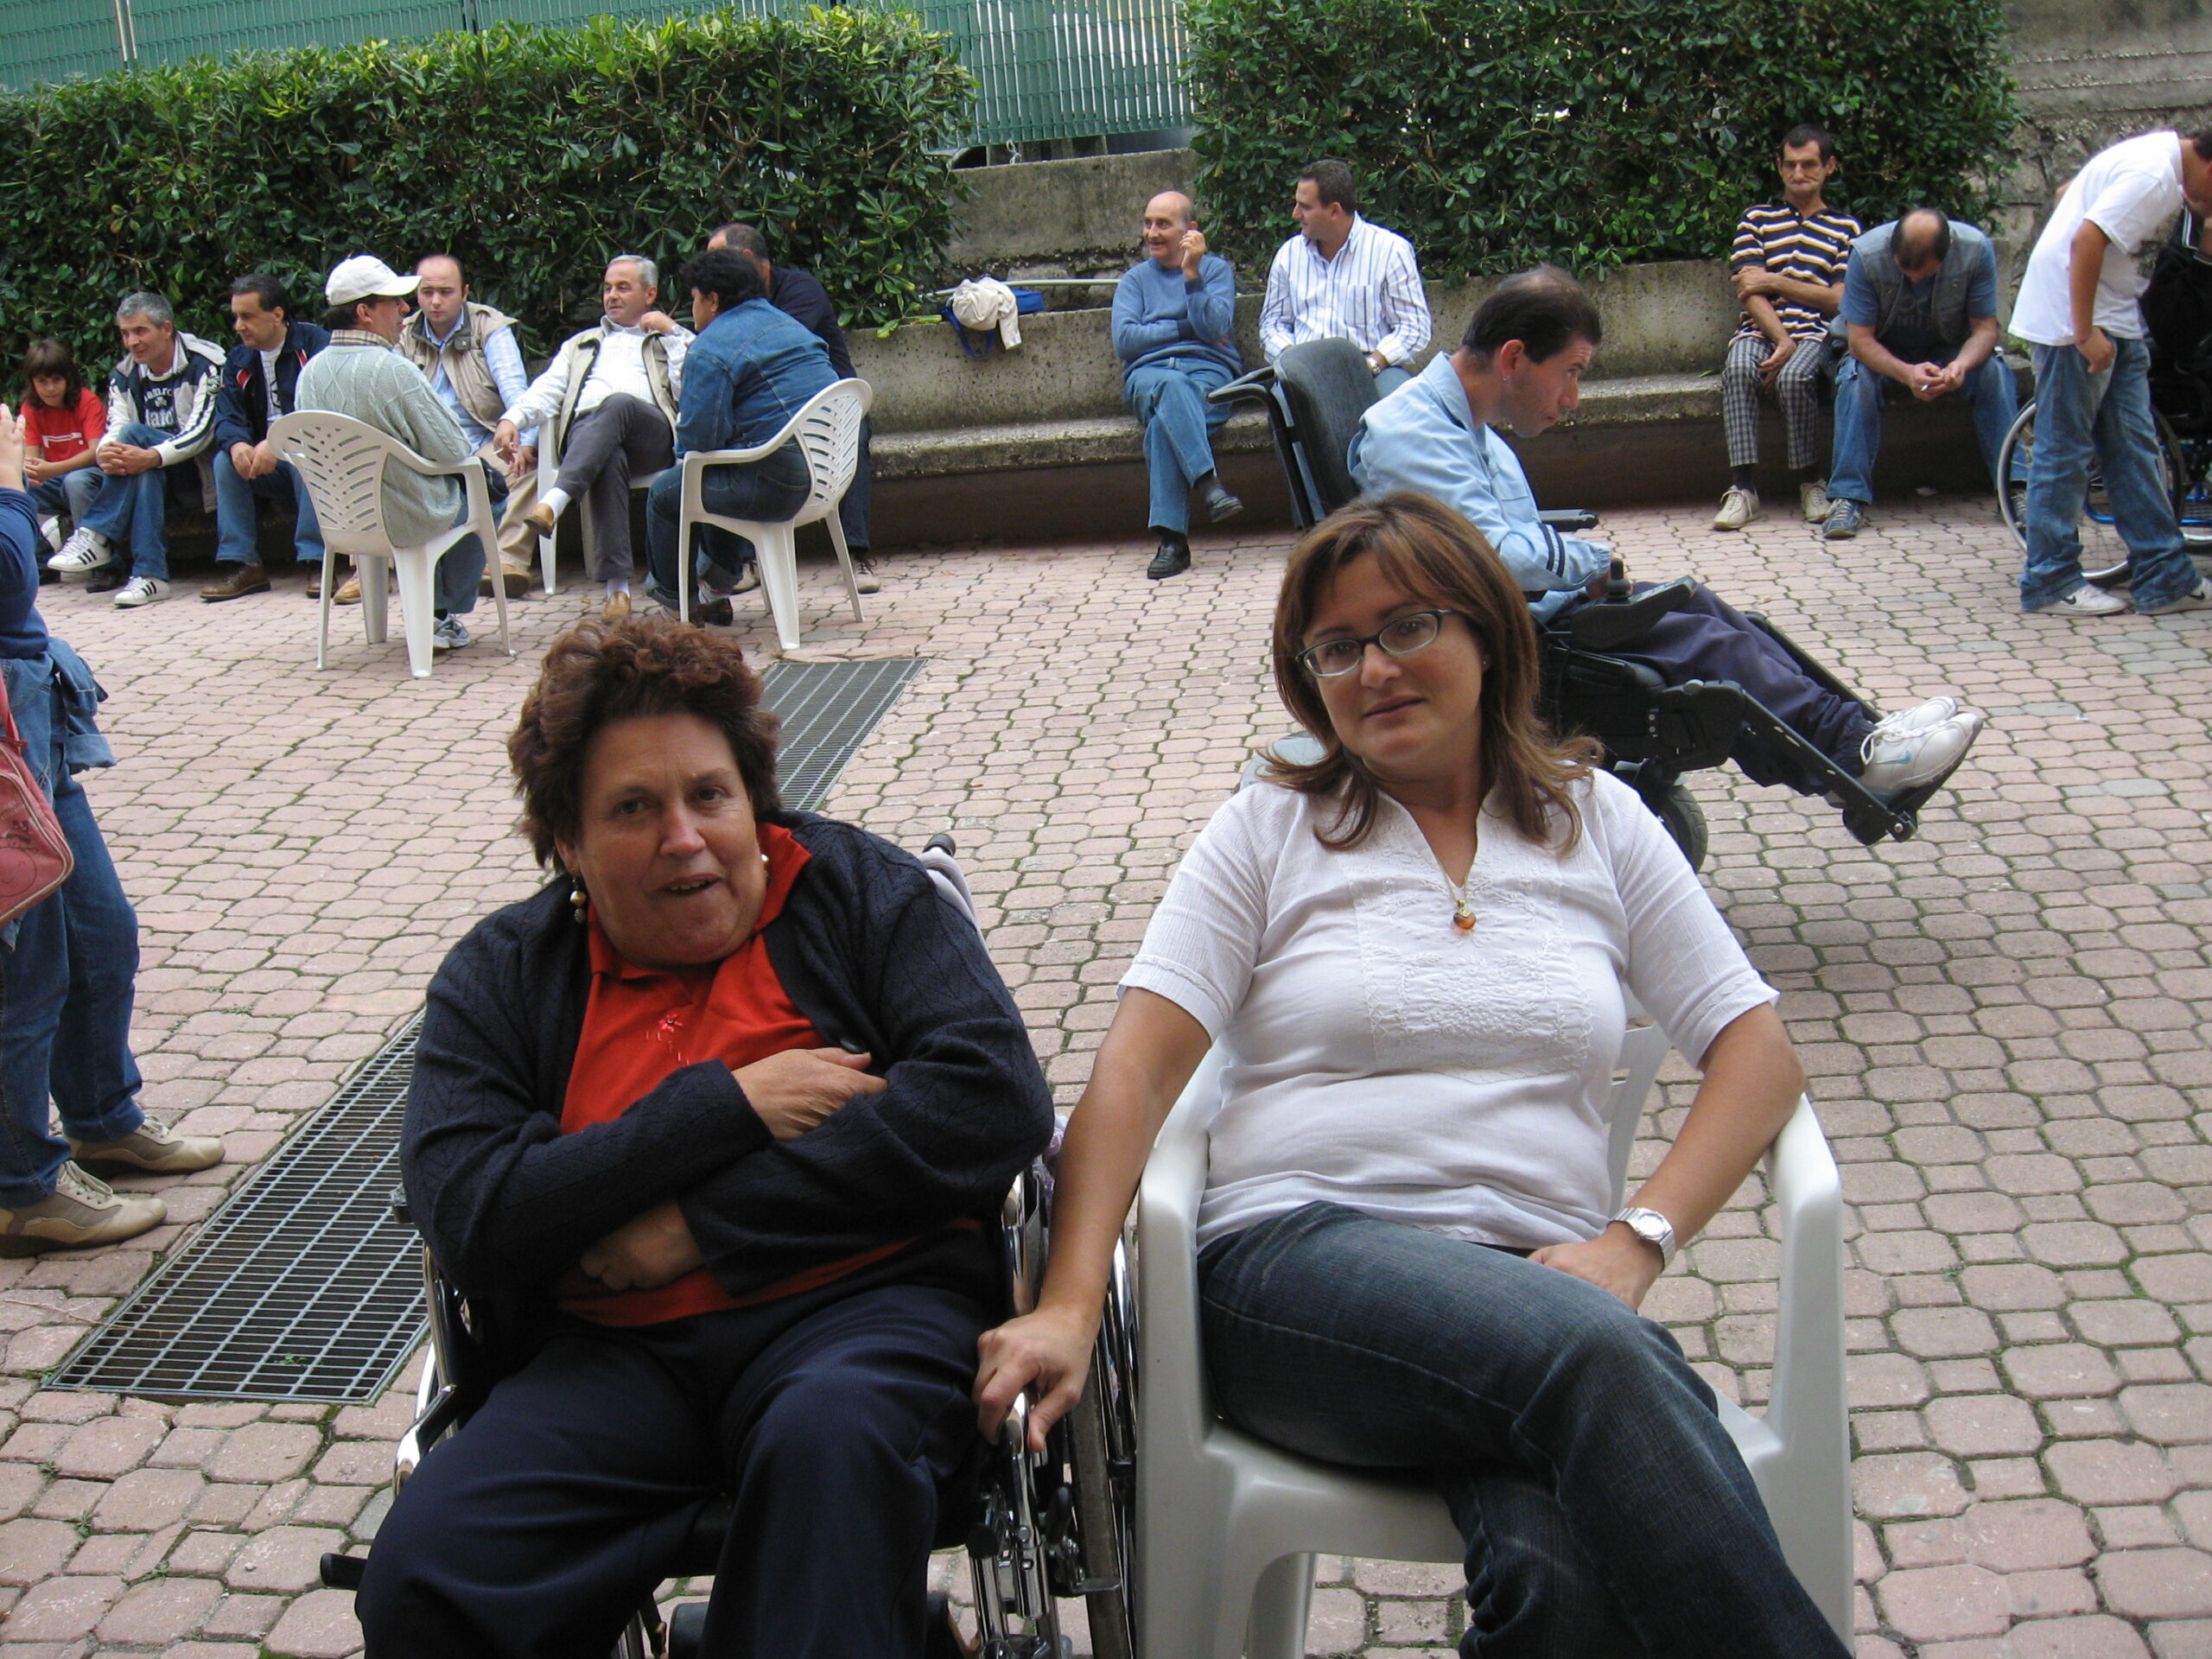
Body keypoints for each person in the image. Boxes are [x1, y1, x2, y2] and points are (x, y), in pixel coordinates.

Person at [973, 492, 1852, 1659]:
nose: (1374, 669)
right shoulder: (1267, 832)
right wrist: (1070, 1303)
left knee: (1564, 1583)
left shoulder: (1598, 823)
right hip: (1294, 1270)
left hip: (1532, 1288)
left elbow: (1759, 1052)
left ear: (1489, 635)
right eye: (1336, 647)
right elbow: (1132, 1077)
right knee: (1602, 1359)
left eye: (1408, 627)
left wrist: (1636, 1239)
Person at [354, 614, 1053, 1657]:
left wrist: (700, 1224)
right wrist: (725, 1108)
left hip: (865, 1316)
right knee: (430, 1572)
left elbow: (991, 1099)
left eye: (709, 796)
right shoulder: (503, 975)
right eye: (633, 808)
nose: (683, 837)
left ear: (752, 800)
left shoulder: (858, 893)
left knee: (829, 1448)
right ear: (568, 842)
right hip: (616, 1360)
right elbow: (472, 1213)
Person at [1351, 267, 1984, 824]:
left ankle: (1862, 738)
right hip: (1505, 637)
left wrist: (1581, 571)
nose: (1572, 399)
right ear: (1514, 357)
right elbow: (1495, 558)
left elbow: (1501, 541)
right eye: (1571, 373)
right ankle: (1858, 759)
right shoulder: (1411, 431)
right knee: (1708, 647)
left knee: (1707, 611)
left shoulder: (1465, 422)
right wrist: (1593, 563)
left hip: (1533, 611)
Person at [0, 404, 224, 1256]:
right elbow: (8, 572)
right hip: (6, 733)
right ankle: (20, 1187)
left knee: (98, 935)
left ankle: (101, 1120)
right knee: (22, 975)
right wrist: (10, 485)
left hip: (29, 717)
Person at [2010, 128, 2212, 617]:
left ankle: (2164, 575)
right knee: (2065, 450)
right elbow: (2087, 238)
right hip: (2076, 325)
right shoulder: (2154, 175)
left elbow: (2069, 194)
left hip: (2113, 316)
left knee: (2133, 446)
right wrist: (2084, 331)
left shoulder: (2160, 162)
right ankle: (2051, 580)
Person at [295, 255, 488, 652]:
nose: (405, 308)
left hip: (341, 520)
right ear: (364, 312)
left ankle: (411, 619)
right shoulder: (394, 370)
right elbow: (454, 449)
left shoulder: (309, 373)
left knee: (451, 490)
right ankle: (441, 614)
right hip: (407, 516)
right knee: (485, 491)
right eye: (393, 301)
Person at [644, 248, 836, 626]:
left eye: (695, 299)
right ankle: (716, 591)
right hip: (828, 476)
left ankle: (676, 605)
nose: (693, 310)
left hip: (777, 486)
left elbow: (698, 439)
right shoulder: (790, 326)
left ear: (713, 300)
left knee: (669, 491)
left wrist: (686, 445)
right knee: (716, 470)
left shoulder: (711, 348)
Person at [496, 257, 690, 614]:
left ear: (650, 294)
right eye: (607, 288)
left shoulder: (668, 339)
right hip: (590, 436)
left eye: (623, 288)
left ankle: (554, 501)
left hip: (650, 435)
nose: (611, 295)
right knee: (608, 456)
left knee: (618, 403)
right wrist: (512, 419)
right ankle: (618, 592)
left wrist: (673, 334)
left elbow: (689, 389)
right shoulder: (581, 344)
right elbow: (547, 390)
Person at [1821, 209, 2017, 539]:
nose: (1914, 280)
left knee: (1995, 373)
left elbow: (1985, 330)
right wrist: (1907, 373)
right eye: (1904, 271)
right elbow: (1860, 342)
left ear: (1947, 253)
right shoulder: (1866, 255)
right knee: (1855, 380)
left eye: (1924, 274)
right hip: (1881, 348)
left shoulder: (1975, 250)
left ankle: (2014, 487)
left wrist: (1961, 365)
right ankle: (1847, 497)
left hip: (1949, 346)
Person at [708, 223, 877, 594]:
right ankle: (745, 560)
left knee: (854, 432)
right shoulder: (725, 304)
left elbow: (769, 350)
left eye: (717, 258)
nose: (710, 269)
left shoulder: (801, 290)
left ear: (747, 258)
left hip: (827, 406)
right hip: (766, 413)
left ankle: (856, 555)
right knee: (724, 438)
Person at [1713, 125, 1859, 531]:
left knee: (1795, 378)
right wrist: (1781, 339)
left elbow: (1840, 300)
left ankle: (1811, 481)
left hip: (1816, 333)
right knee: (1738, 370)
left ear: (1829, 166)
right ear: (1779, 167)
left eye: (1809, 164)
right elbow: (1748, 289)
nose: (1799, 173)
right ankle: (1743, 489)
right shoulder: (1757, 219)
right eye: (1790, 165)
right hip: (1760, 330)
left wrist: (1775, 281)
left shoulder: (1846, 228)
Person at [47, 293, 226, 607]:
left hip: (194, 475)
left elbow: (201, 432)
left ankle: (96, 535)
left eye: (140, 331)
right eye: (125, 333)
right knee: (83, 479)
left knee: (135, 439)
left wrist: (152, 455)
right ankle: (149, 576)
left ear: (166, 328)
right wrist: (108, 452)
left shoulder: (205, 364)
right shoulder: (124, 374)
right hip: (147, 474)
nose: (132, 342)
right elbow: (115, 426)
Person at [1112, 189, 1242, 582]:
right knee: (1170, 386)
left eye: (1163, 224)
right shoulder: (1134, 281)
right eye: (1148, 223)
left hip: (1208, 374)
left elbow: (1215, 328)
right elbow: (1126, 340)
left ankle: (1172, 542)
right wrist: (1185, 328)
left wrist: (1192, 275)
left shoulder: (1214, 272)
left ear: (1190, 231)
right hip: (1148, 377)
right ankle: (1209, 484)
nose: (1152, 232)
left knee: (1163, 425)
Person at [398, 254, 543, 600]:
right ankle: (369, 569)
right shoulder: (403, 333)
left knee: (525, 469)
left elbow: (517, 394)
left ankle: (505, 562)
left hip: (482, 442)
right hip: (423, 448)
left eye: (445, 292)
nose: (435, 301)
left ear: (464, 293)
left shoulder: (489, 328)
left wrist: (526, 442)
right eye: (427, 292)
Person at [200, 273, 330, 602]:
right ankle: (244, 565)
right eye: (236, 317)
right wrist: (237, 444)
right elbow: (227, 415)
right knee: (225, 461)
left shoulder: (316, 345)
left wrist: (278, 441)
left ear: (277, 315)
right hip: (265, 463)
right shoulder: (238, 358)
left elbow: (322, 411)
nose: (238, 326)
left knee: (305, 455)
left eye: (247, 317)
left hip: (317, 457)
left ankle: (317, 561)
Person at [1259, 158, 1431, 393]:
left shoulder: (1391, 251)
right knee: (1282, 402)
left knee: (1401, 403)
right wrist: (1295, 361)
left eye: (1305, 207)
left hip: (1374, 368)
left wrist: (1373, 364)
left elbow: (1414, 326)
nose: (1295, 214)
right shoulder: (1288, 255)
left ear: (1334, 211)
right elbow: (1272, 324)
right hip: (1305, 369)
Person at [18, 340, 104, 546]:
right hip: (56, 482)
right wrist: (30, 470)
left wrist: (53, 469)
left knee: (75, 482)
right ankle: (39, 555)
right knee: (17, 484)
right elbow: (31, 458)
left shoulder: (87, 401)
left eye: (57, 380)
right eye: (42, 381)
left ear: (68, 378)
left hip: (92, 479)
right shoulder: (31, 408)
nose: (50, 388)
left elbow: (96, 452)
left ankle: (96, 555)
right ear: (32, 383)